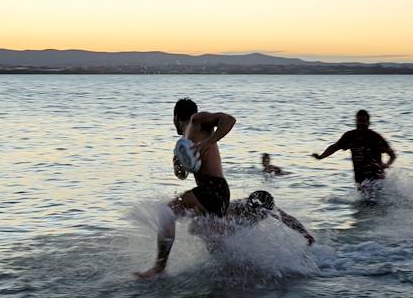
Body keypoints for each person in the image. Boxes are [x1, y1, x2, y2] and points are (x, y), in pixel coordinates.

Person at [135, 98, 236, 279]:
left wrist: (209, 141)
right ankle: (236, 265)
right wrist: (178, 165)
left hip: (214, 189)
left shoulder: (196, 120)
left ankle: (159, 268)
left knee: (167, 212)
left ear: (175, 117)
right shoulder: (184, 141)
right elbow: (182, 176)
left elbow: (229, 120)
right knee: (204, 234)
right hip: (212, 192)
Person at [189, 190, 315, 248]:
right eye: (257, 212)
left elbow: (286, 219)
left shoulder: (266, 208)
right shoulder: (235, 209)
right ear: (250, 207)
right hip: (200, 225)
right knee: (221, 243)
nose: (261, 215)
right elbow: (207, 225)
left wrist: (305, 234)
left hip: (217, 227)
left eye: (263, 212)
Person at [311, 110, 396, 186]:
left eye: (364, 121)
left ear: (368, 123)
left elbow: (392, 155)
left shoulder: (375, 137)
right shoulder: (350, 136)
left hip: (376, 178)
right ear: (355, 122)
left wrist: (386, 165)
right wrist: (321, 157)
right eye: (359, 121)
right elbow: (334, 147)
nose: (361, 123)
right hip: (360, 179)